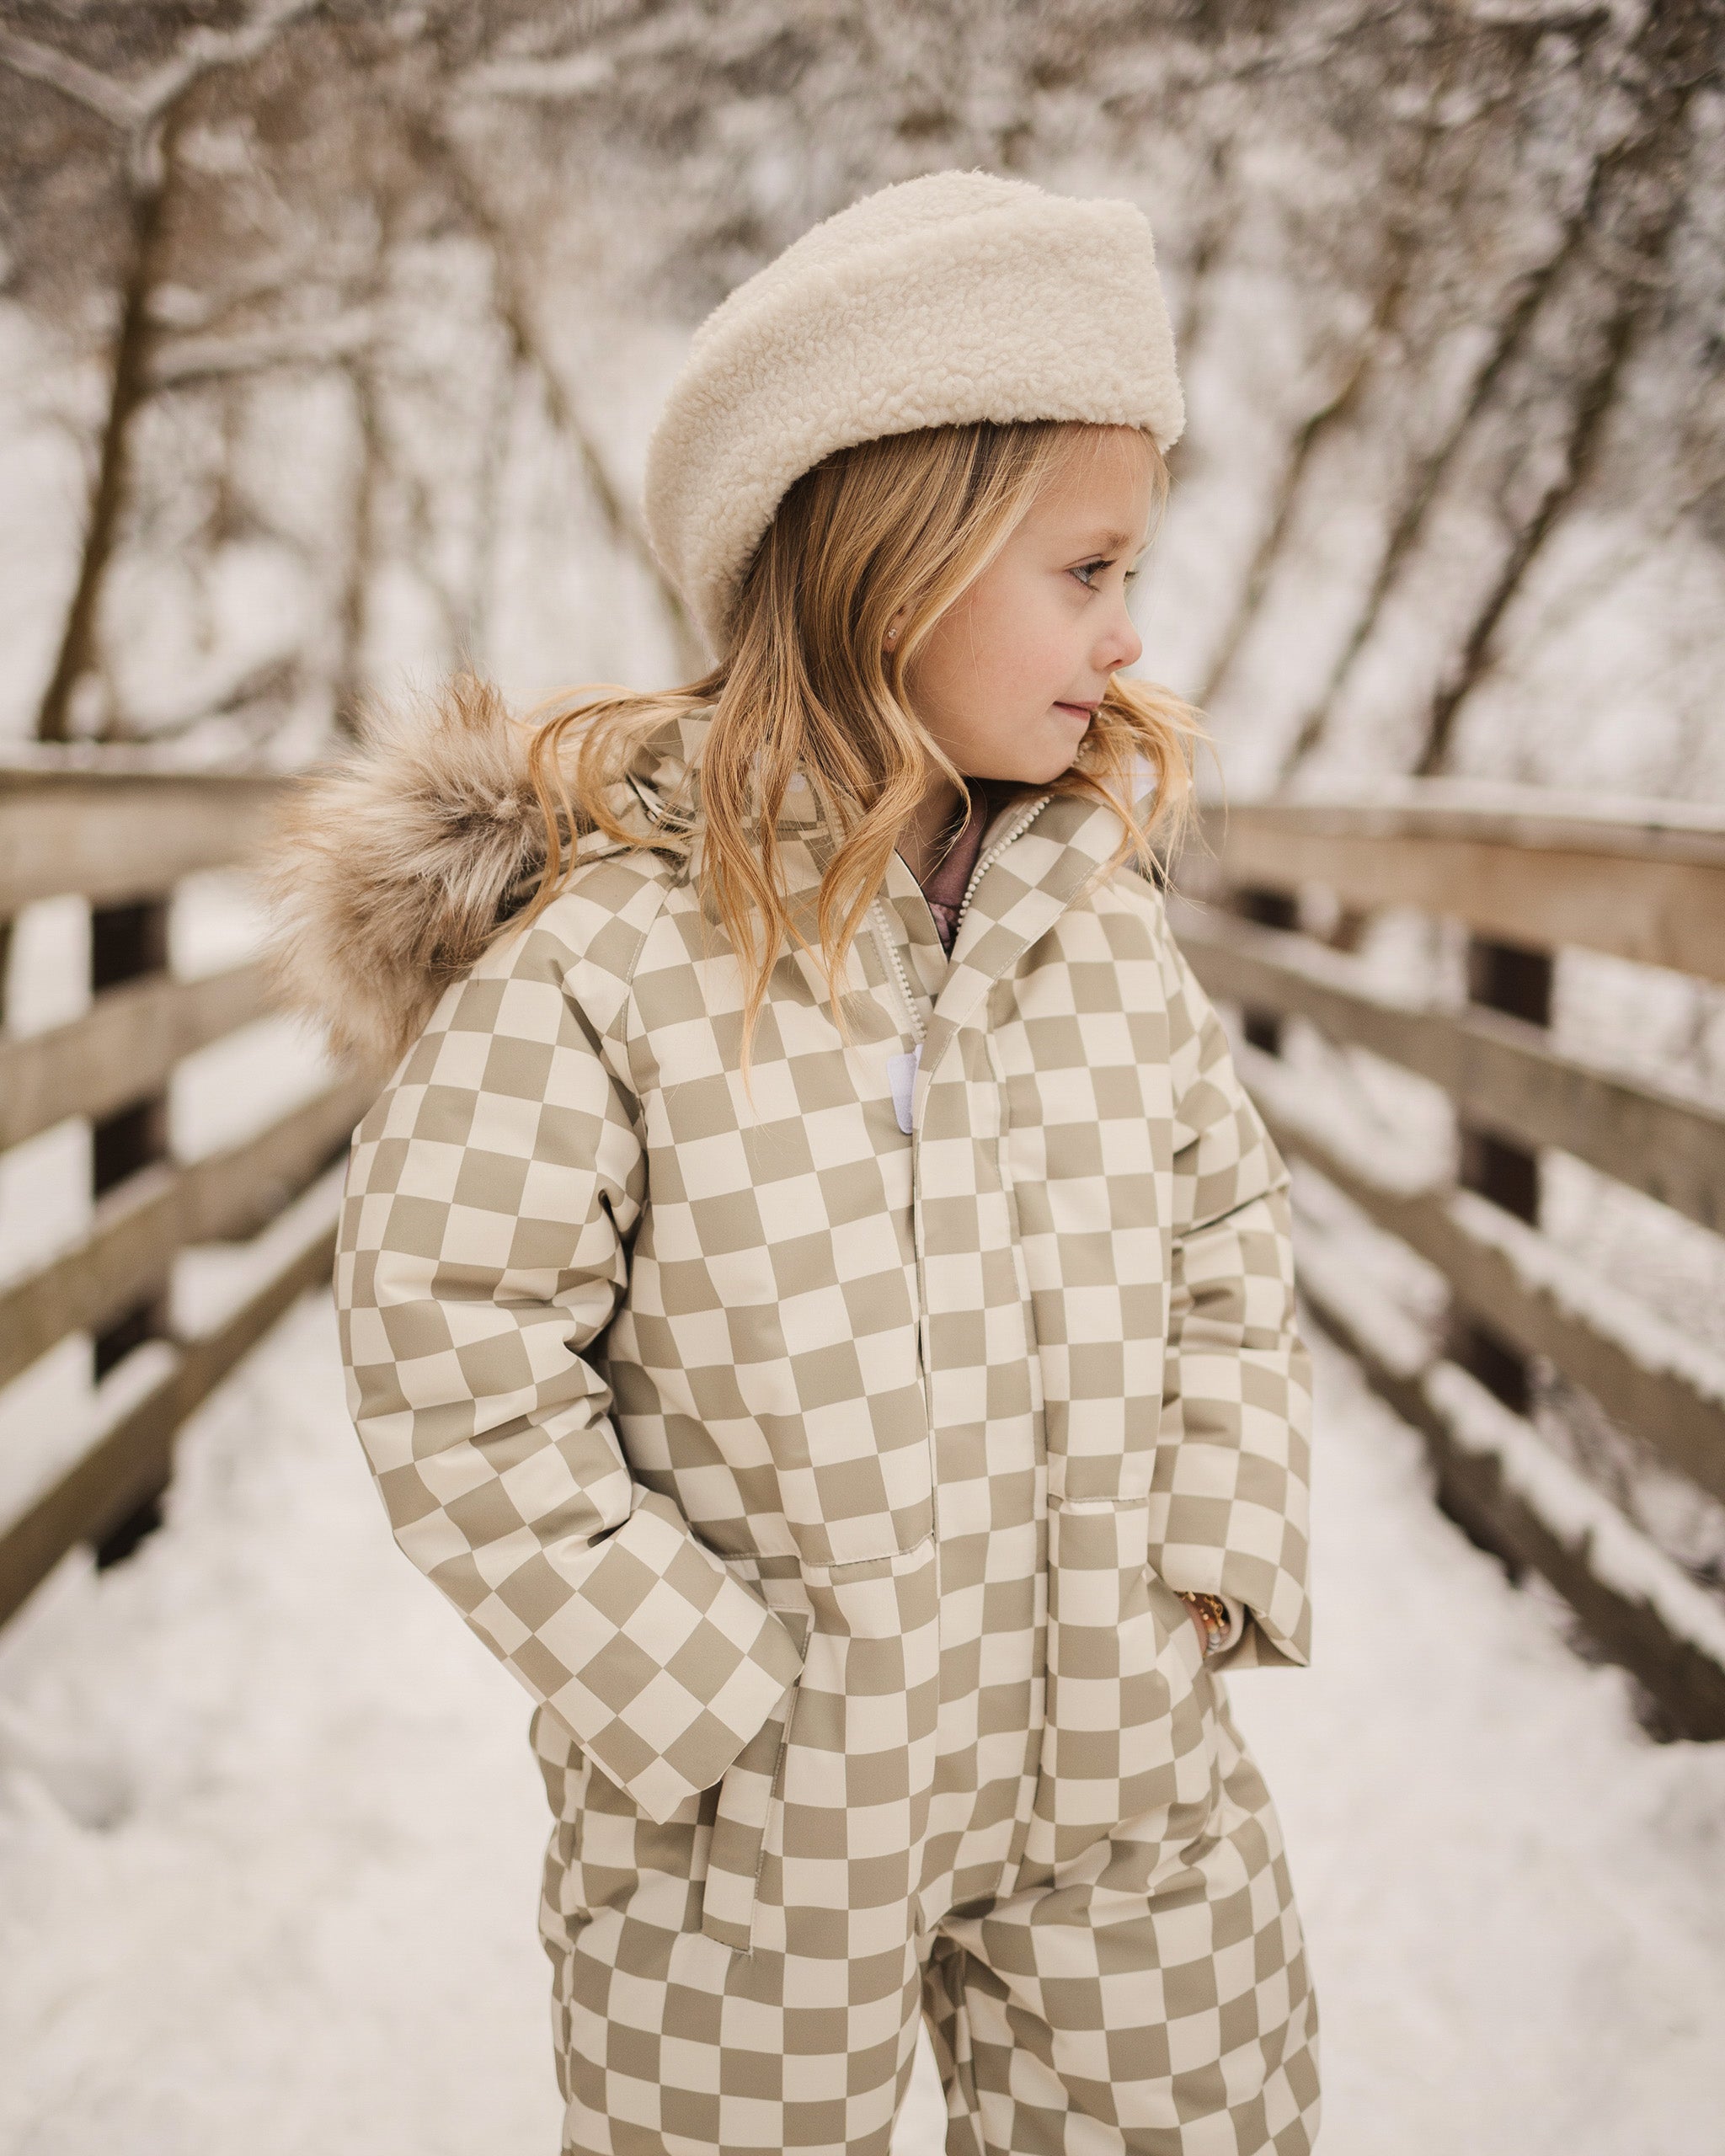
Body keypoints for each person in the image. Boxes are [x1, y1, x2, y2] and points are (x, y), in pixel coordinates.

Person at [270, 169, 1318, 2156]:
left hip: (1119, 1772)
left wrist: (1217, 1536)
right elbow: (448, 1340)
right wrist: (691, 1685)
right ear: (893, 563)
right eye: (1085, 568)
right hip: (755, 1827)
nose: (1129, 628)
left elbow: (1225, 1226)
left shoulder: (1097, 923)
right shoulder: (607, 960)